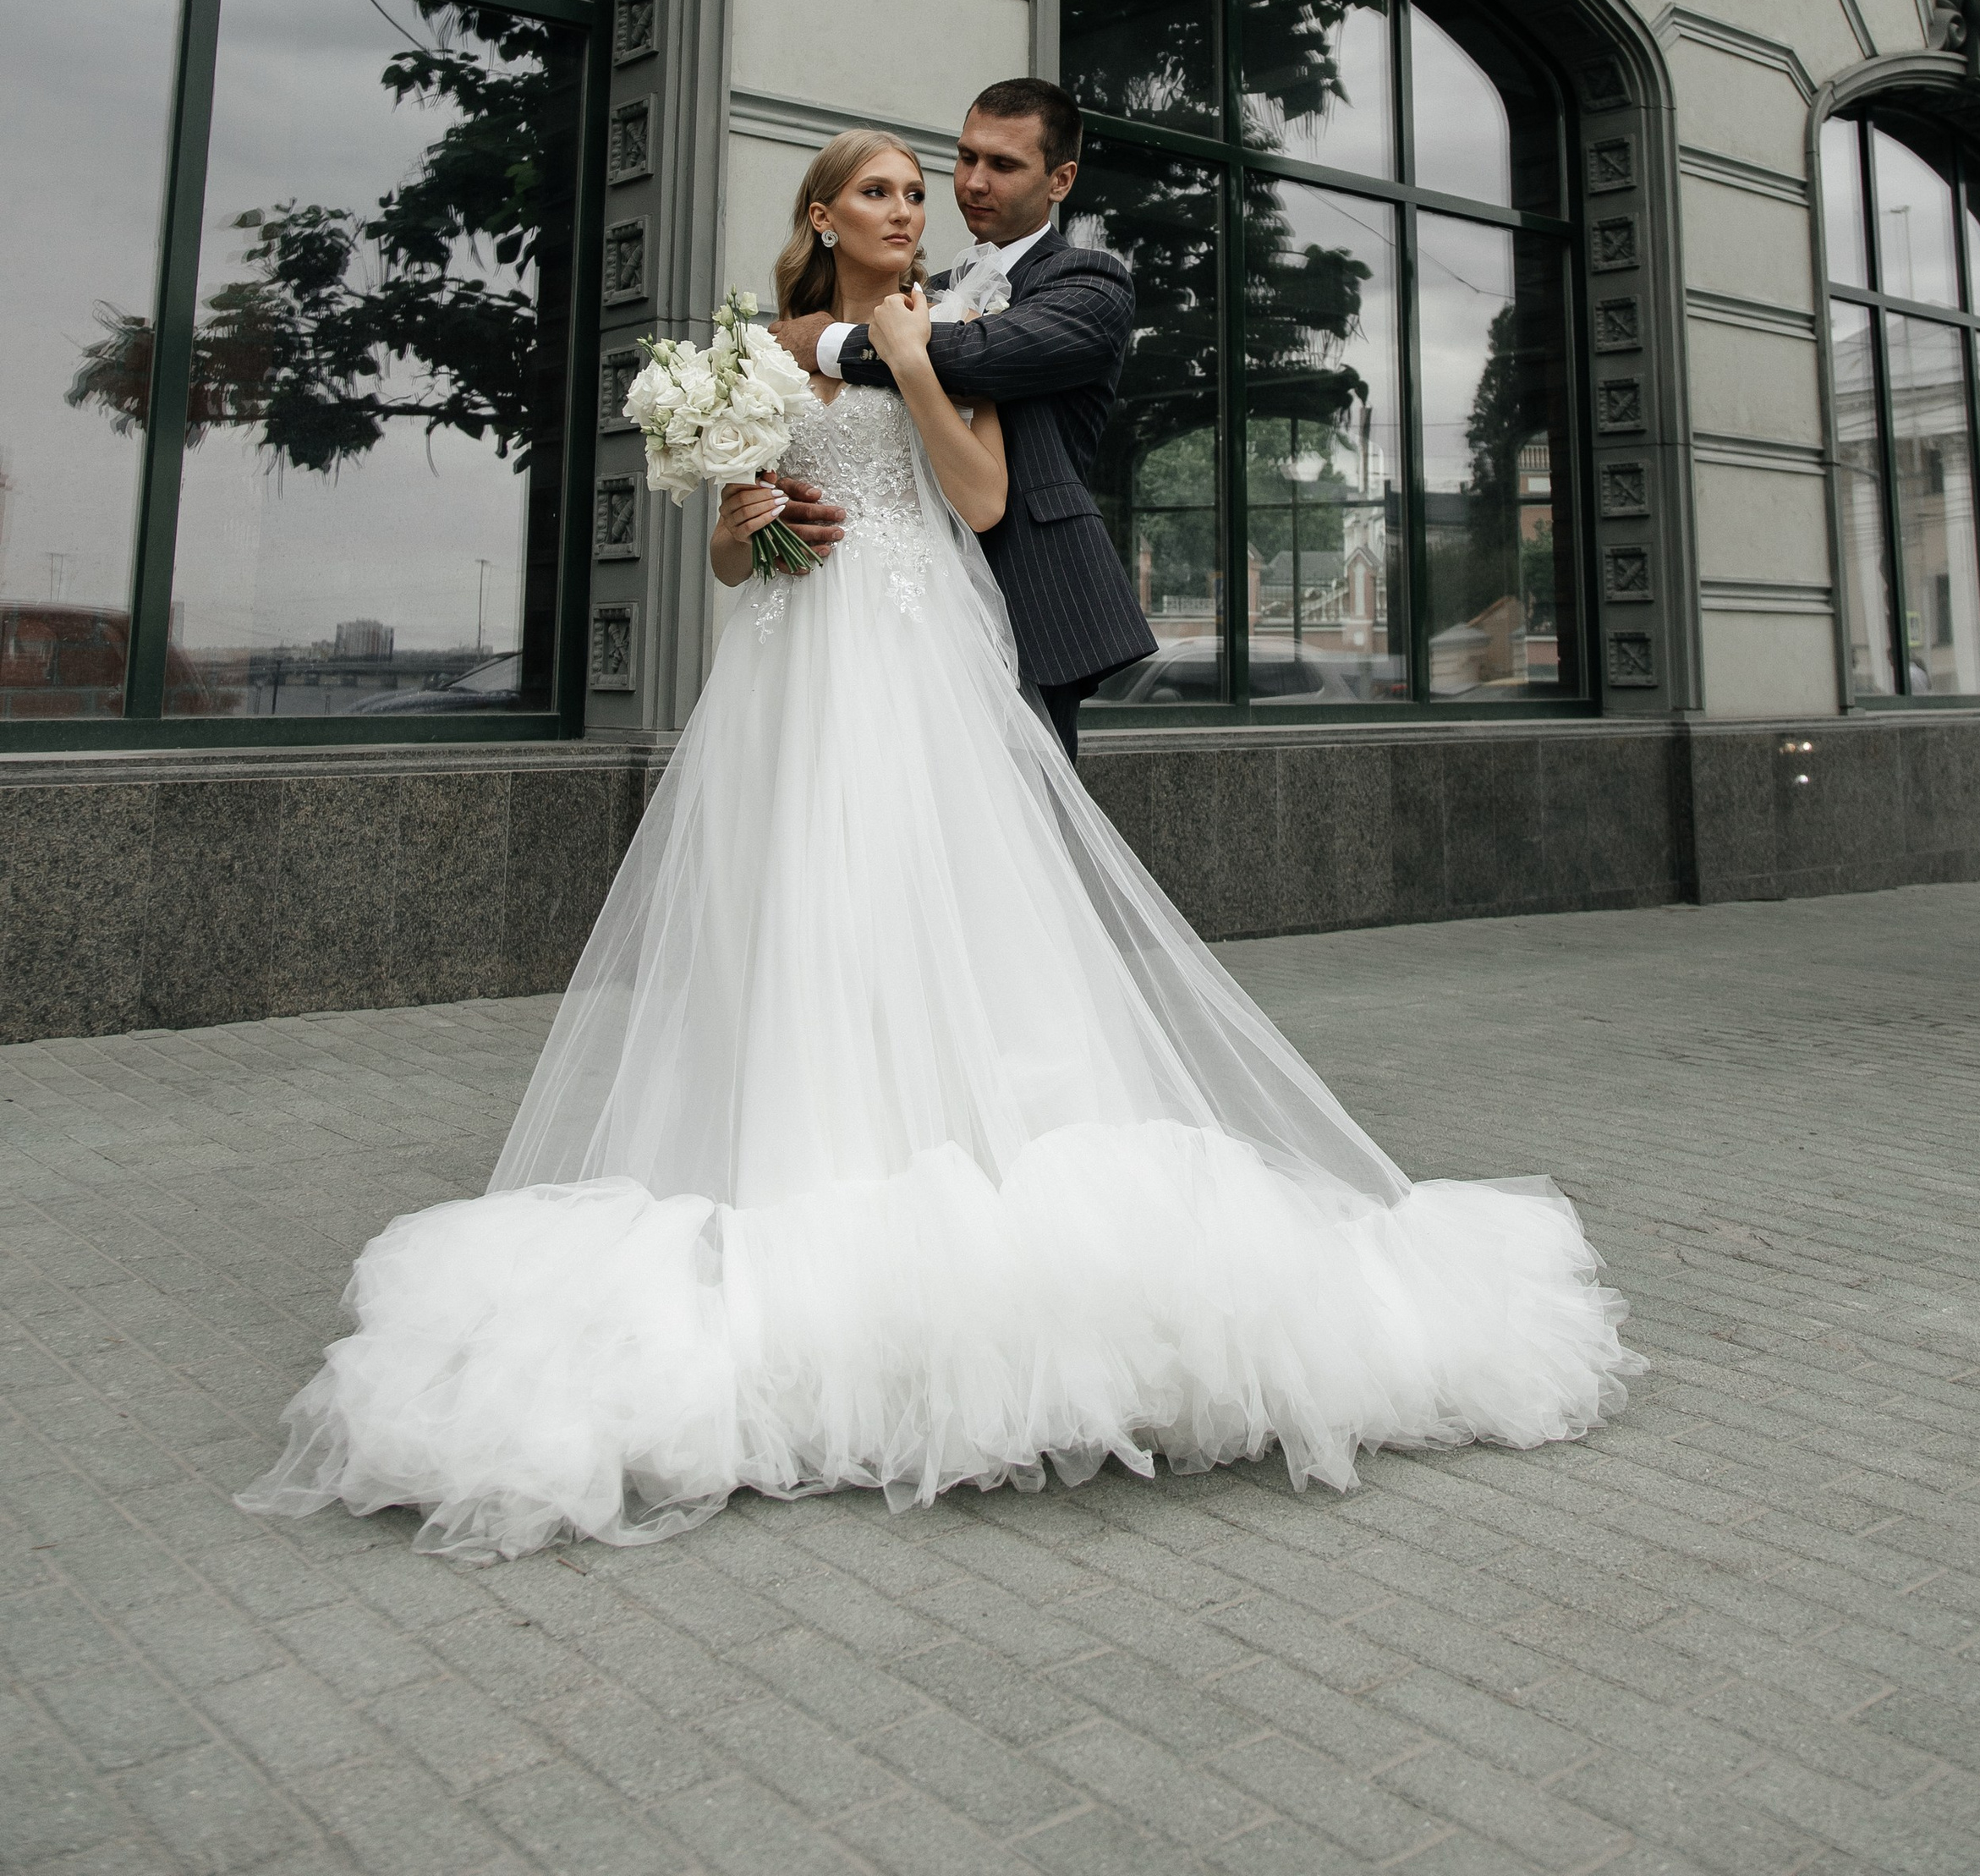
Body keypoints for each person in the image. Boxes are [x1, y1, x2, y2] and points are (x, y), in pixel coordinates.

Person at [239, 127, 1636, 1559]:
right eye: (884, 192)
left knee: (953, 909)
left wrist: (914, 357)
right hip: (796, 661)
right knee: (802, 917)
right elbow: (728, 551)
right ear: (824, 215)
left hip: (925, 659)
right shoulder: (764, 351)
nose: (912, 209)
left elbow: (977, 500)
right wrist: (761, 518)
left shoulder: (957, 328)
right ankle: (795, 1166)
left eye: (922, 191)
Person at [770, 78, 1154, 760]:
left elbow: (977, 353)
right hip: (887, 599)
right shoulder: (929, 292)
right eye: (966, 157)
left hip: (1031, 592)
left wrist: (818, 343)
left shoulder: (1090, 282)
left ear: (1060, 179)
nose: (974, 182)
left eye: (1003, 165)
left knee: (1016, 839)